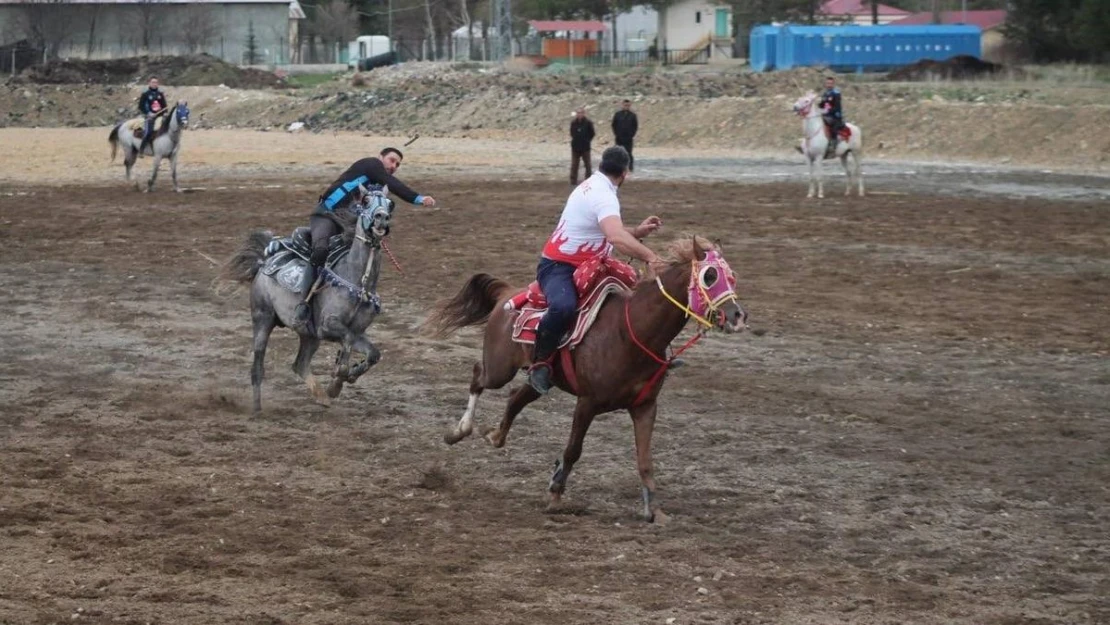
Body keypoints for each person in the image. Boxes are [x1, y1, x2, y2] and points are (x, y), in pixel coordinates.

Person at [528, 145, 666, 395]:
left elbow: (610, 231)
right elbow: (615, 237)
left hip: (591, 265)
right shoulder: (603, 195)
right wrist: (651, 257)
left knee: (640, 302)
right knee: (563, 306)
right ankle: (540, 361)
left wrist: (637, 232)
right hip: (559, 267)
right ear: (625, 173)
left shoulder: (596, 185)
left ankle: (652, 359)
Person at [292, 147, 437, 326]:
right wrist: (418, 198)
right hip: (326, 215)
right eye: (391, 160)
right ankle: (303, 303)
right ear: (380, 157)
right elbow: (393, 183)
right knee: (321, 250)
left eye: (397, 164)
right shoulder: (372, 165)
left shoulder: (375, 187)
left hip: (347, 222)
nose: (394, 166)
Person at [137, 77, 168, 154]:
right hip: (149, 117)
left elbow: (164, 106)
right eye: (153, 82)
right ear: (149, 83)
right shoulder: (145, 94)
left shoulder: (160, 94)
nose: (154, 84)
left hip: (159, 116)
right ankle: (142, 149)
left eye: (156, 82)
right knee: (148, 132)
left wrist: (165, 113)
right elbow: (141, 106)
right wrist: (148, 113)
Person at [569, 107, 596, 186]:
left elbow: (592, 133)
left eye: (581, 113)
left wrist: (587, 140)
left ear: (584, 113)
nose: (579, 114)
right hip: (575, 147)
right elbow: (572, 133)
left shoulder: (588, 123)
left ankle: (588, 180)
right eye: (578, 113)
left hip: (585, 147)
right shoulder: (573, 123)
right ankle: (573, 181)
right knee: (574, 165)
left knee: (587, 164)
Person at [610, 99, 639, 172]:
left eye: (628, 105)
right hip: (619, 138)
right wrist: (617, 134)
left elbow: (635, 126)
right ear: (622, 105)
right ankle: (618, 168)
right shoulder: (617, 115)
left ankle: (630, 168)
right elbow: (613, 125)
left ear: (630, 106)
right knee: (618, 153)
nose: (626, 106)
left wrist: (631, 135)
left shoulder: (633, 115)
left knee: (628, 153)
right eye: (625, 105)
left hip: (628, 138)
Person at [819, 76, 845, 152]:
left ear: (833, 84)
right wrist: (819, 105)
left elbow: (837, 107)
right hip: (825, 115)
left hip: (834, 115)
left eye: (830, 83)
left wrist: (828, 111)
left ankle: (834, 143)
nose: (829, 85)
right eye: (827, 83)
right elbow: (822, 105)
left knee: (833, 126)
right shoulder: (825, 94)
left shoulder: (836, 93)